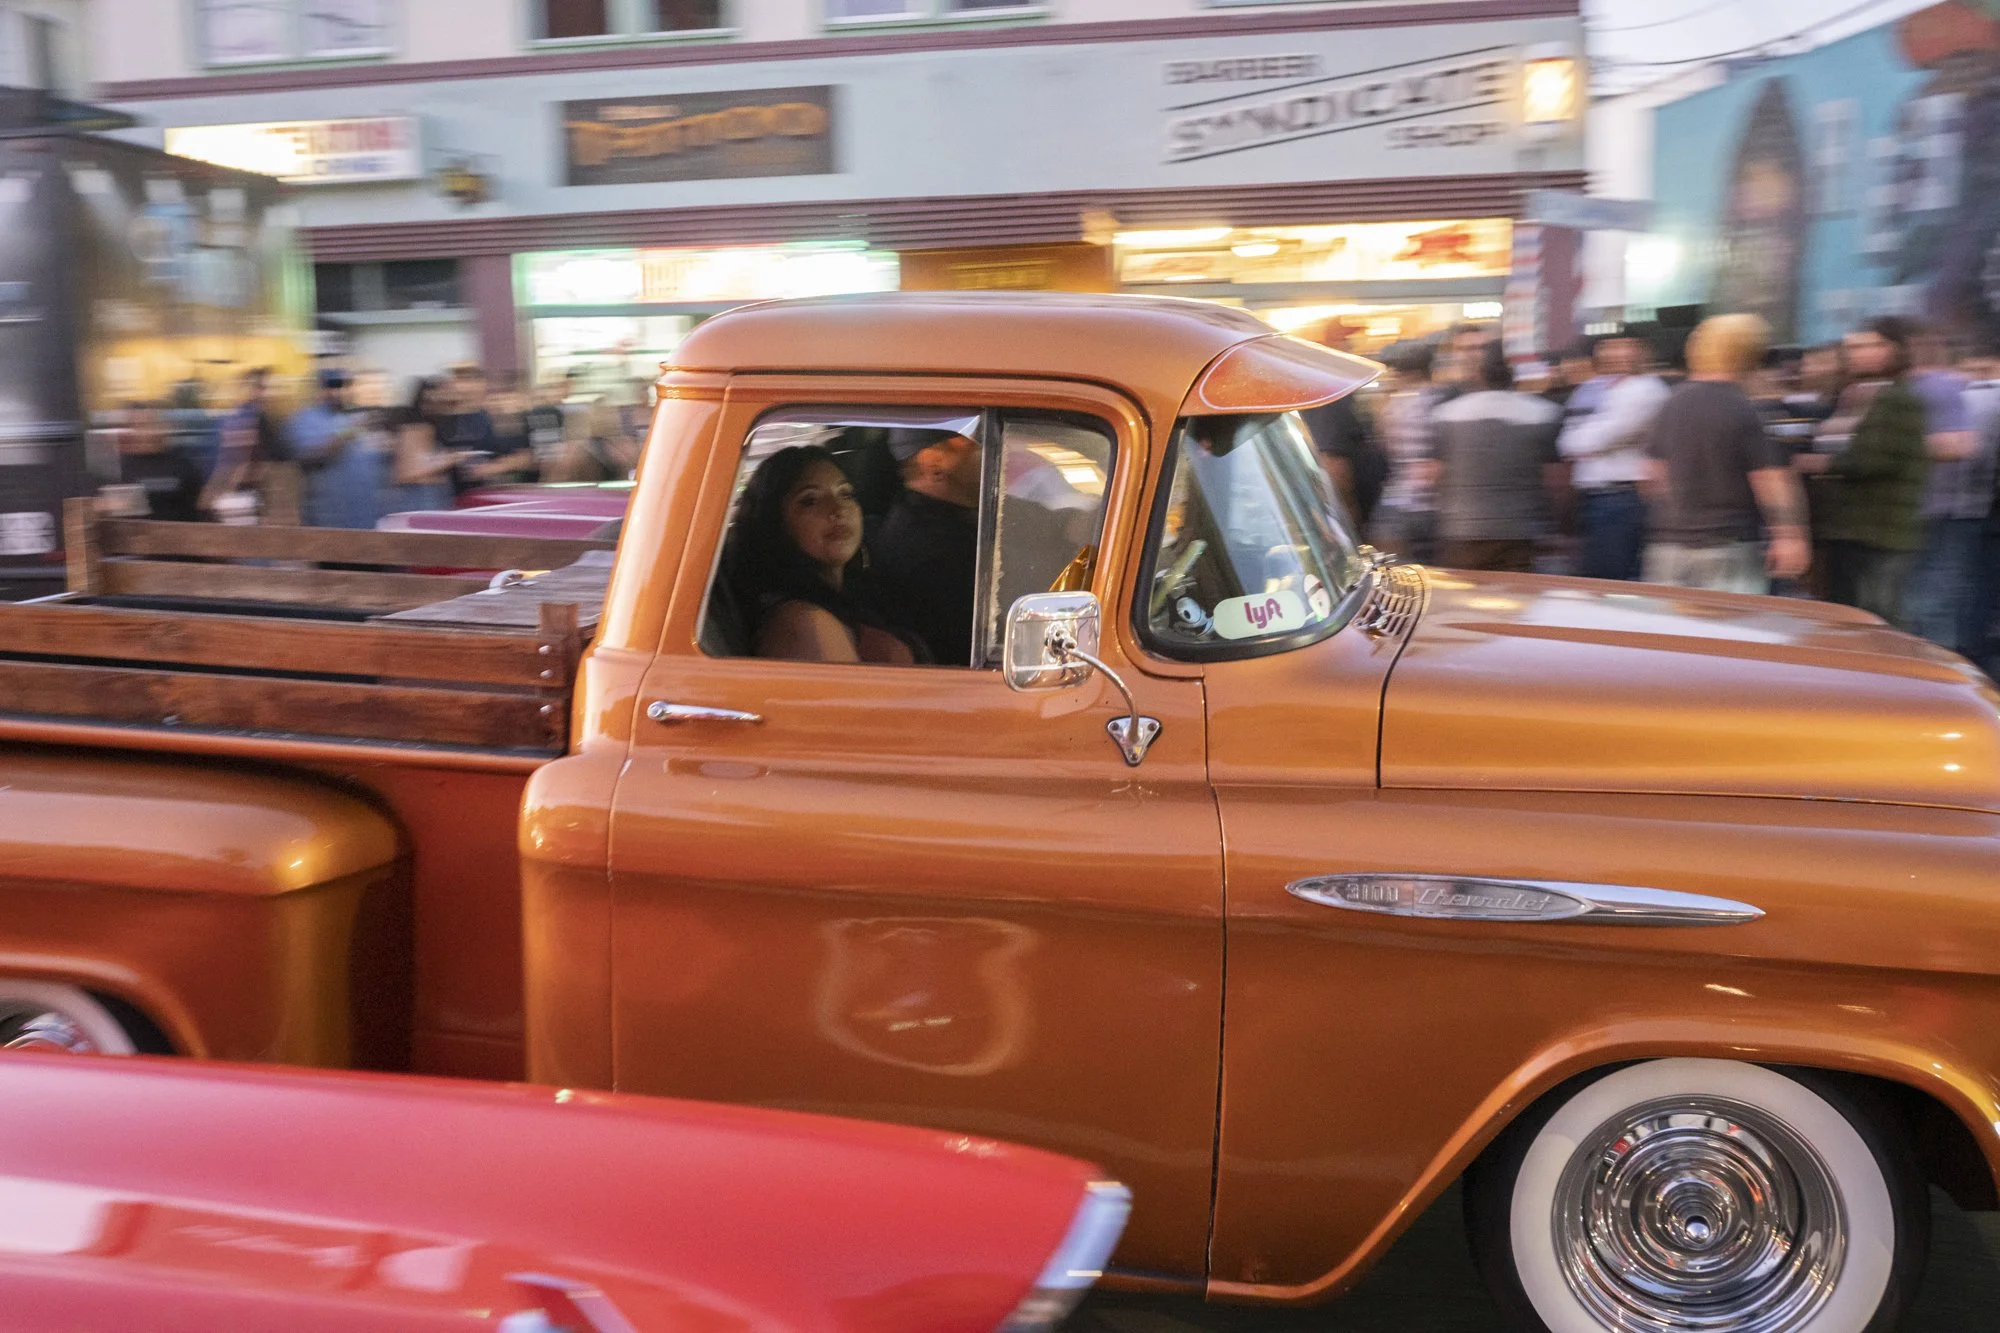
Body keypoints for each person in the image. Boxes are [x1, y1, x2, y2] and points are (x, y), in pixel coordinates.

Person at [1642, 314, 1812, 595]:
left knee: (1671, 634)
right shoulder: (1744, 408)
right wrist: (1790, 537)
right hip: (1727, 546)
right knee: (1729, 633)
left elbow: (1651, 476)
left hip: (1667, 545)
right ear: (1748, 352)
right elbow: (1771, 482)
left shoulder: (1670, 403)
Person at [720, 445, 915, 665]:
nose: (837, 510)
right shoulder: (804, 622)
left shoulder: (855, 592)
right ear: (775, 523)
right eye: (810, 500)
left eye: (845, 494)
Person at [1796, 318, 1931, 622]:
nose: (1858, 353)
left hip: (1878, 533)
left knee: (1875, 622)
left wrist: (1817, 463)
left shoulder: (1898, 398)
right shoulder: (1851, 395)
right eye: (1854, 347)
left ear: (1894, 350)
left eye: (1870, 345)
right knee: (1843, 618)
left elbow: (1875, 460)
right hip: (1844, 532)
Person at [1428, 342, 1566, 573]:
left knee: (1466, 601)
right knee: (1517, 601)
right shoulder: (1543, 413)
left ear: (1478, 374)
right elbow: (1555, 480)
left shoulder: (1445, 415)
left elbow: (1435, 474)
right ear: (1513, 374)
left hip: (1462, 530)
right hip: (1522, 531)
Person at [1904, 330, 1994, 652]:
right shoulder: (1954, 389)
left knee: (1931, 598)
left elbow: (1963, 445)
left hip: (1936, 507)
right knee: (1944, 597)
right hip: (1957, 508)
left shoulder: (1938, 389)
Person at [1558, 332, 1672, 581]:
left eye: (1624, 346)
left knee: (1612, 586)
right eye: (1608, 347)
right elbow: (1567, 442)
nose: (1614, 354)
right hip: (1599, 500)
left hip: (1621, 499)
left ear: (1643, 351)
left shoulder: (1645, 390)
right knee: (1600, 583)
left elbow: (1590, 440)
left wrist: (1581, 437)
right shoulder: (1601, 388)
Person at [870, 431, 982, 666]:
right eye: (969, 442)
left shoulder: (950, 518)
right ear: (934, 464)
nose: (984, 449)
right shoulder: (932, 550)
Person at [1371, 343, 1442, 563]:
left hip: (1398, 501)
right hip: (1435, 503)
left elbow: (1384, 446)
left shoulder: (1391, 407)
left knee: (1400, 572)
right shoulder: (1439, 401)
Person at [289, 369, 380, 530]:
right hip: (328, 515)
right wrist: (347, 432)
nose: (338, 392)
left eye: (344, 386)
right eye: (331, 386)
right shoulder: (306, 419)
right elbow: (311, 457)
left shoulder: (357, 415)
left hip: (363, 514)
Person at [200, 366, 289, 518]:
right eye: (259, 388)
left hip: (247, 501)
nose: (266, 394)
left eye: (270, 388)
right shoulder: (239, 420)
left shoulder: (269, 422)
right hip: (236, 501)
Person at [112, 401, 204, 522]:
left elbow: (197, 508)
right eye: (137, 426)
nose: (143, 433)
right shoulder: (120, 467)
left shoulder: (183, 465)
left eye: (148, 425)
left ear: (164, 427)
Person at [385, 377, 465, 514]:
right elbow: (407, 472)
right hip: (423, 495)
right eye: (435, 399)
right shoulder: (416, 429)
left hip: (431, 494)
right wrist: (450, 459)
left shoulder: (433, 427)